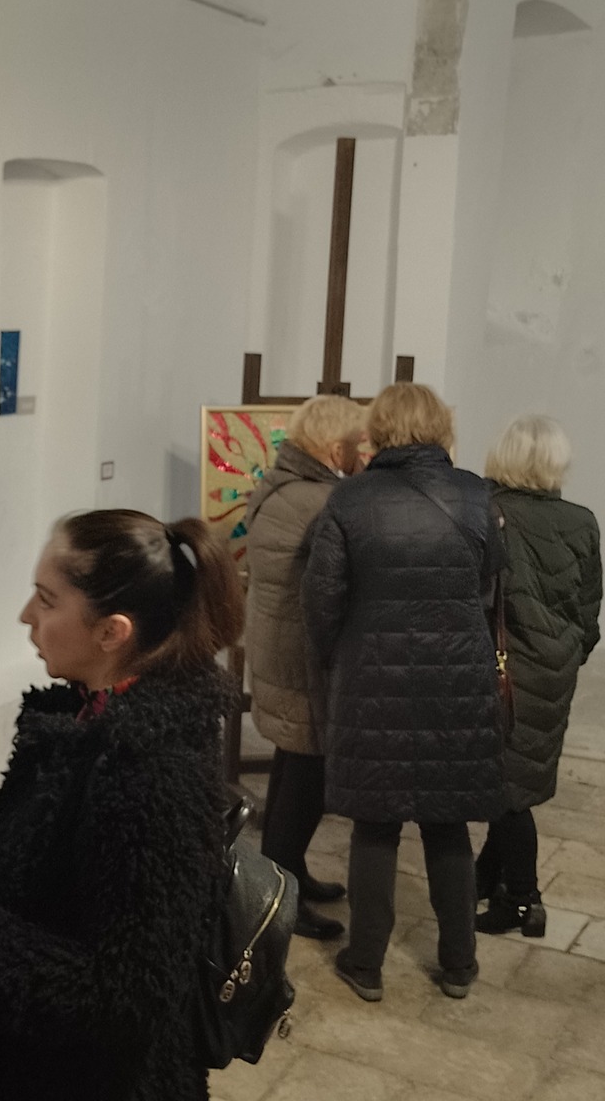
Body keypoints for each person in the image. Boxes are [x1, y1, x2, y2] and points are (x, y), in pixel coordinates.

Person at [0, 510, 242, 1101]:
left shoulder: (153, 770)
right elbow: (64, 881)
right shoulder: (84, 722)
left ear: (111, 632)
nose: (26, 615)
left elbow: (128, 1000)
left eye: (47, 600)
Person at [303, 382, 505, 1002]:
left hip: (374, 678)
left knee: (376, 825)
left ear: (380, 428)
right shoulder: (476, 494)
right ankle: (459, 963)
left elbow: (322, 600)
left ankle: (365, 962)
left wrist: (340, 656)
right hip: (458, 678)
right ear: (441, 426)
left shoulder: (349, 498)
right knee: (447, 825)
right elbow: (490, 582)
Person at [473, 415, 603, 938]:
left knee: (507, 794)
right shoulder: (582, 521)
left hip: (501, 671)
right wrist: (566, 658)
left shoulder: (489, 514)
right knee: (513, 782)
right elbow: (588, 610)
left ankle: (524, 901)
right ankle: (486, 876)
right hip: (554, 671)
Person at [243, 395, 365, 940]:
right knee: (306, 777)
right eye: (356, 443)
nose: (362, 453)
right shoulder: (322, 501)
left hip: (278, 649)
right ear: (334, 448)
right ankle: (280, 900)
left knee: (293, 764)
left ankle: (286, 872)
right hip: (302, 658)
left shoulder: (278, 485)